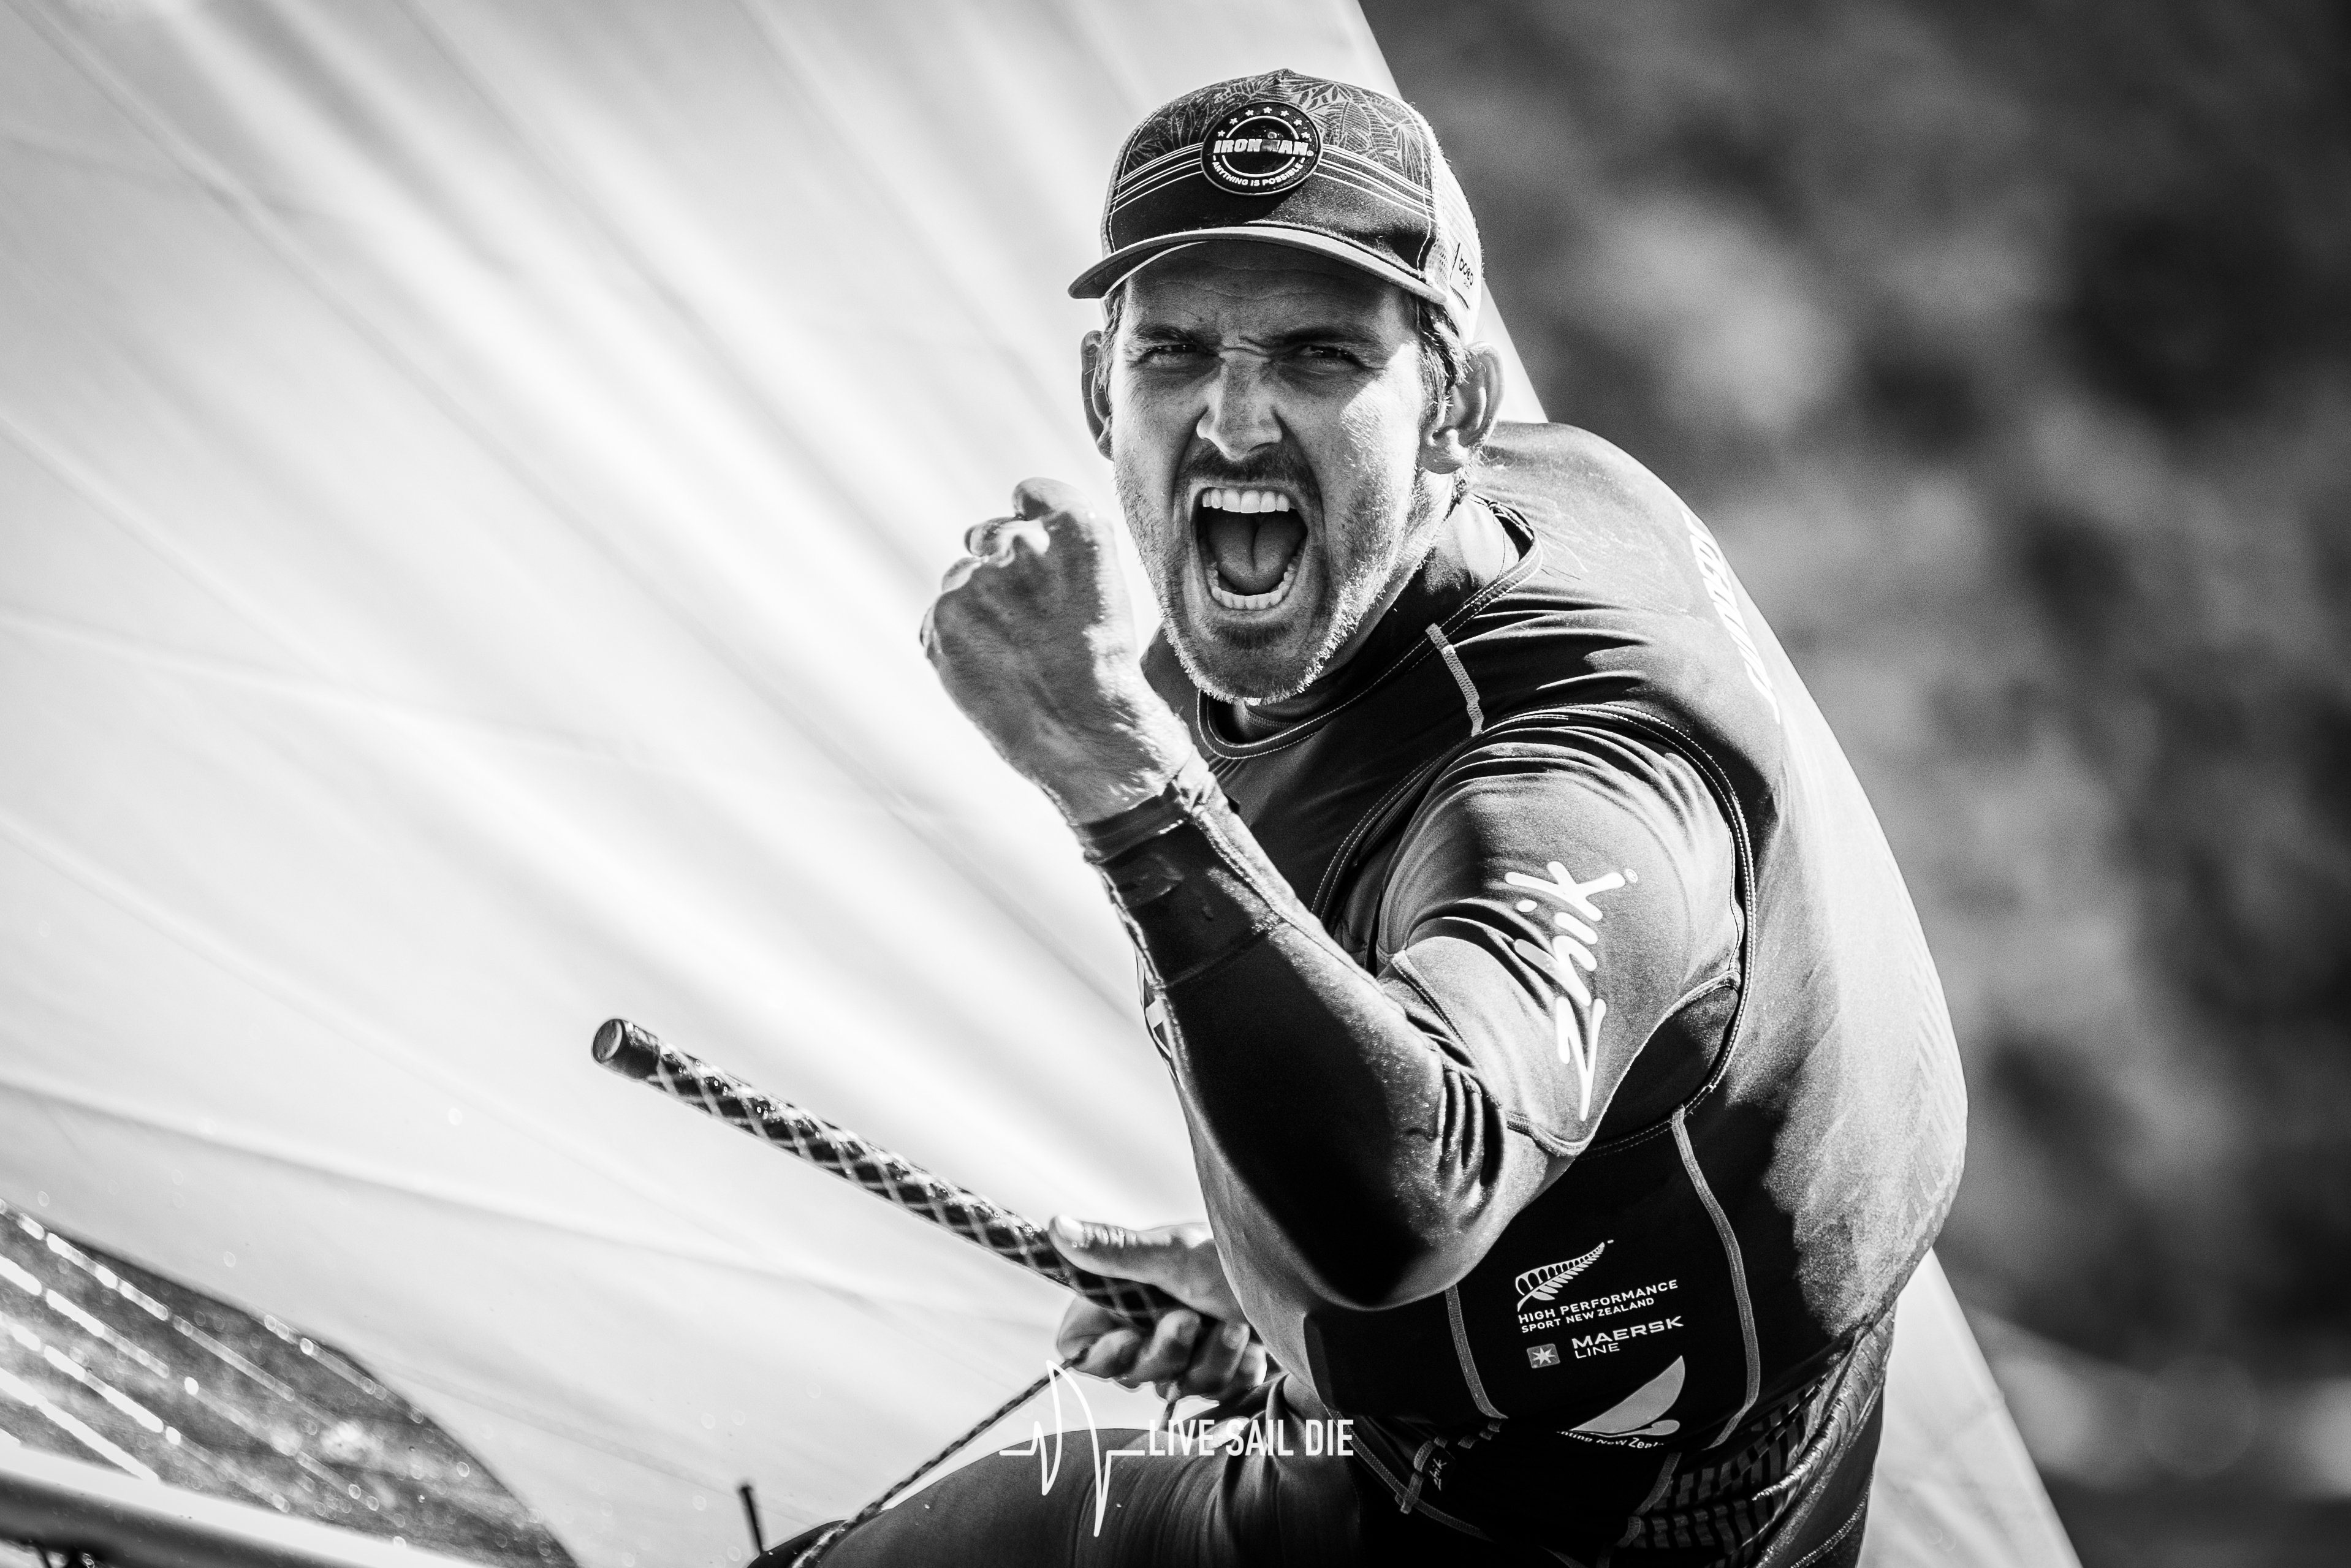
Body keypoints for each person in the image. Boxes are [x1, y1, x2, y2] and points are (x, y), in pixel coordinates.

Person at [776, 68, 1966, 1567]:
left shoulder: (1582, 784)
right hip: (1513, 1432)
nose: (1233, 419)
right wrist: (1285, 1306)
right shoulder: (1557, 492)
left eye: (1320, 355)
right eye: (1175, 354)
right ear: (1097, 391)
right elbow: (1573, 1154)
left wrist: (1115, 776)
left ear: (1456, 406)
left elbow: (1421, 1190)